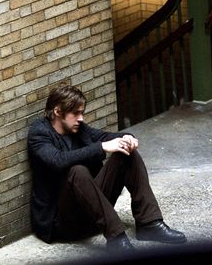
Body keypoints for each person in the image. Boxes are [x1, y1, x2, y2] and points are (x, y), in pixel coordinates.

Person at [27, 85, 187, 253]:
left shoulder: (78, 128)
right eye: (75, 113)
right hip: (63, 223)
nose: (80, 118)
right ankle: (116, 239)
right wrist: (102, 147)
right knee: (77, 171)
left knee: (126, 152)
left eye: (82, 113)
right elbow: (57, 160)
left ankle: (149, 224)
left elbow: (104, 137)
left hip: (92, 215)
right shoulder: (39, 133)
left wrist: (127, 138)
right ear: (58, 111)